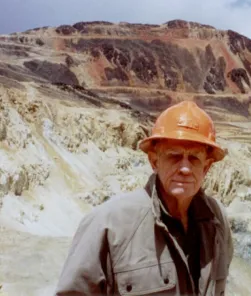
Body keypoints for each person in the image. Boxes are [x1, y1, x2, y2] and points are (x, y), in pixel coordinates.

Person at [54, 100, 234, 296]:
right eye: (174, 156)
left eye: (194, 158)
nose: (184, 168)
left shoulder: (217, 221)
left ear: (206, 167)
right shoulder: (109, 223)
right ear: (154, 161)